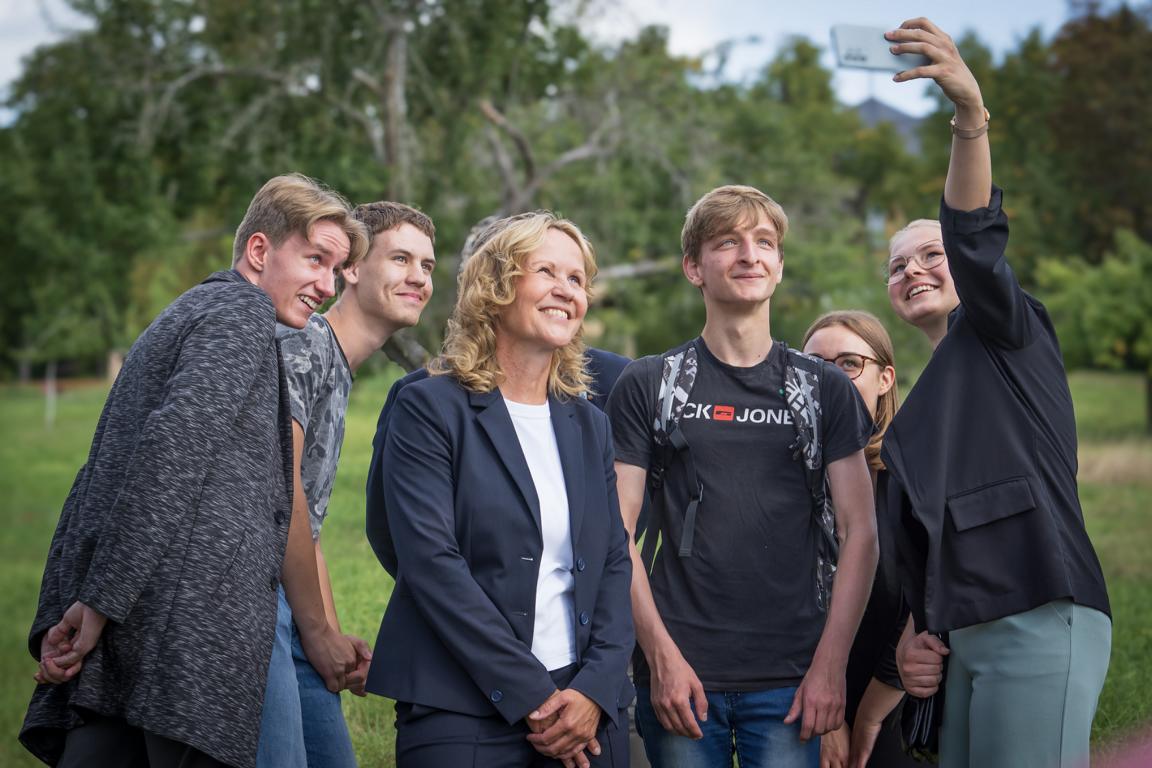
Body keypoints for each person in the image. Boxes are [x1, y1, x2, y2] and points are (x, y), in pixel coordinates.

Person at [20, 174, 368, 768]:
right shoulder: (240, 316)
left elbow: (103, 477)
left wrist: (85, 603)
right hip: (188, 642)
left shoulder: (196, 310)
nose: (327, 285)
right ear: (260, 251)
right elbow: (167, 460)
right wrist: (98, 603)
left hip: (142, 628)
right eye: (315, 260)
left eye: (336, 270)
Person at [880, 18, 1111, 768]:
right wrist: (918, 633)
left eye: (929, 255)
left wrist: (969, 120)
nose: (913, 270)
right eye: (897, 266)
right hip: (962, 646)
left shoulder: (1009, 335)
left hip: (1038, 610)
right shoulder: (913, 413)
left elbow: (976, 235)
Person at [605, 186, 878, 767]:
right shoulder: (651, 383)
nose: (749, 255)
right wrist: (659, 656)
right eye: (728, 242)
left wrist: (830, 668)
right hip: (681, 672)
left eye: (764, 243)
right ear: (693, 267)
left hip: (790, 677)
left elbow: (861, 533)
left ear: (779, 266)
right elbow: (616, 532)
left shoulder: (822, 388)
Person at [364, 211, 635, 767]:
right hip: (459, 703)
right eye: (546, 272)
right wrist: (532, 694)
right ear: (497, 285)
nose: (566, 290)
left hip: (584, 706)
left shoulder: (588, 424)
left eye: (577, 279)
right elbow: (429, 562)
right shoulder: (429, 407)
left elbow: (612, 561)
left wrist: (596, 689)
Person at [257, 201, 437, 768]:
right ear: (352, 267)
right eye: (401, 258)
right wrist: (317, 631)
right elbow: (279, 495)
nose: (418, 277)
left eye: (428, 266)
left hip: (293, 605)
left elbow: (306, 524)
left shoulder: (333, 364)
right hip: (253, 606)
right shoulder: (300, 347)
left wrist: (331, 640)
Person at [802, 311, 924, 768]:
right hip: (797, 694)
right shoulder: (783, 479)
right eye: (815, 366)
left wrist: (871, 713)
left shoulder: (911, 479)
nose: (831, 378)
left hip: (895, 697)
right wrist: (826, 715)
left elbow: (924, 597)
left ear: (885, 378)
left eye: (849, 363)